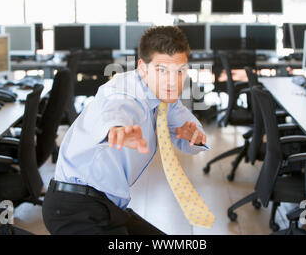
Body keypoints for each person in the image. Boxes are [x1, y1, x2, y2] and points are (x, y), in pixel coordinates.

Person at [42, 25, 210, 235]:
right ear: (142, 67)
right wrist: (118, 128)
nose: (172, 81)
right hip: (74, 208)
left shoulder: (167, 99)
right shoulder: (124, 89)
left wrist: (195, 137)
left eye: (180, 71)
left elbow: (189, 130)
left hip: (110, 208)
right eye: (162, 70)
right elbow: (117, 109)